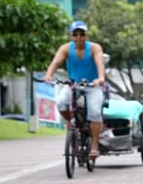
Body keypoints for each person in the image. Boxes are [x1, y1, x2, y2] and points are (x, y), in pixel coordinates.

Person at [44, 21, 107, 159]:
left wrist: (100, 78)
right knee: (61, 102)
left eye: (82, 34)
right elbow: (55, 63)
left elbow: (99, 62)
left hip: (93, 86)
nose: (79, 37)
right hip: (73, 85)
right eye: (75, 34)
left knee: (95, 112)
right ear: (71, 36)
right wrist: (49, 75)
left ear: (86, 35)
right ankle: (73, 123)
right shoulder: (65, 49)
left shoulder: (95, 48)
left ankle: (95, 145)